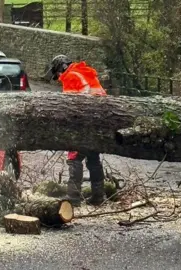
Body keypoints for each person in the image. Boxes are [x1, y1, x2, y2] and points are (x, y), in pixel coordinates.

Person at [43, 55, 107, 207]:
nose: (58, 77)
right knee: (93, 158)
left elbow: (70, 107)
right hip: (99, 121)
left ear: (62, 67)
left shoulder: (71, 76)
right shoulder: (84, 72)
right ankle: (98, 196)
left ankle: (73, 197)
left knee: (74, 158)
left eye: (57, 73)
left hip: (84, 122)